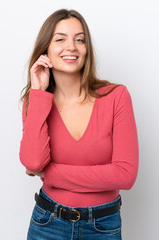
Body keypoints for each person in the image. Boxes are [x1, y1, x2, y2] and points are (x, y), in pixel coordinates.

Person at [19, 9, 139, 240]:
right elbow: (33, 162)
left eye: (79, 39)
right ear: (46, 49)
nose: (71, 47)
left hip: (103, 226)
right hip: (47, 224)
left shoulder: (116, 96)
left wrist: (49, 173)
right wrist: (38, 93)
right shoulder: (34, 101)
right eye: (60, 39)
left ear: (87, 49)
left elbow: (125, 175)